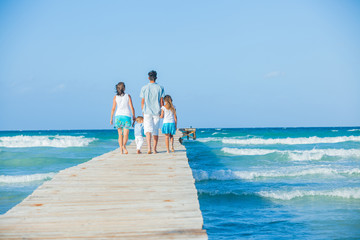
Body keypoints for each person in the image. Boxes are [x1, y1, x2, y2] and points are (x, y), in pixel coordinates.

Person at [140, 70, 165, 154]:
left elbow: (142, 102)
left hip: (147, 111)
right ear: (156, 78)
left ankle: (149, 148)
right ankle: (154, 149)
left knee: (147, 130)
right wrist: (162, 112)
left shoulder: (144, 88)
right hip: (157, 111)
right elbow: (162, 102)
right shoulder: (160, 88)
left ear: (148, 78)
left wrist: (143, 111)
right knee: (155, 130)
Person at [110, 82, 135, 154]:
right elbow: (131, 107)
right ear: (124, 88)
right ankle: (124, 146)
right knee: (126, 134)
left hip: (118, 116)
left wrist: (111, 118)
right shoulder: (128, 96)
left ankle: (121, 149)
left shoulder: (115, 97)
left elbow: (113, 108)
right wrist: (133, 116)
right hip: (126, 116)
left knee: (120, 134)